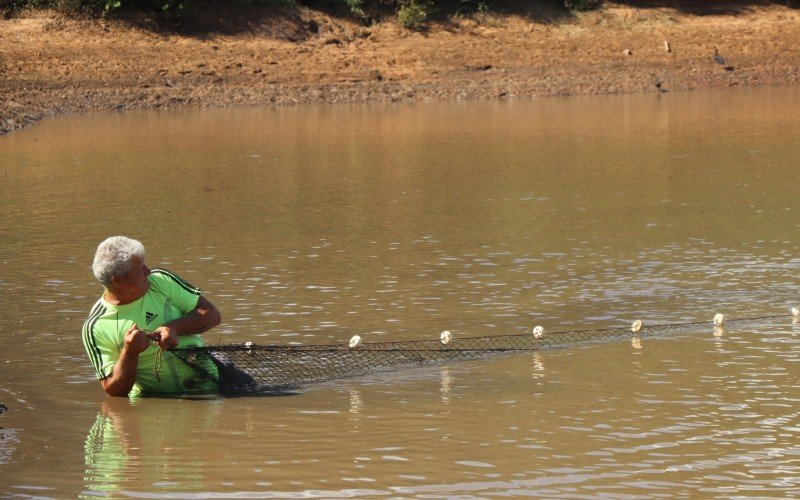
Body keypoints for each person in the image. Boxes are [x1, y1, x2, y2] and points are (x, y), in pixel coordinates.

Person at [82, 236, 222, 397]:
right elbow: (113, 390)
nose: (148, 271)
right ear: (118, 281)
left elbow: (212, 314)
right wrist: (130, 352)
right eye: (140, 268)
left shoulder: (160, 280)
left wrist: (175, 328)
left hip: (213, 388)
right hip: (158, 407)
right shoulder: (96, 325)